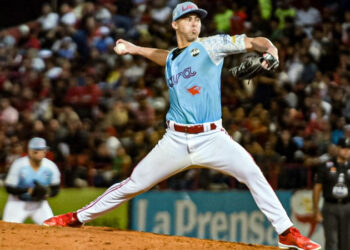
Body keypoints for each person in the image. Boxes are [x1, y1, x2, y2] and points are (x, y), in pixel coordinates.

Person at [43, 2, 320, 249]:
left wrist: (270, 49)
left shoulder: (211, 45)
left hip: (212, 138)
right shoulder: (173, 59)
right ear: (175, 23)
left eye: (198, 18)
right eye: (189, 18)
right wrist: (135, 48)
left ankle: (286, 231)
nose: (195, 22)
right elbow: (164, 56)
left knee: (252, 173)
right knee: (133, 184)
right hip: (175, 140)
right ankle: (76, 218)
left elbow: (253, 41)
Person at [3, 137, 61, 224]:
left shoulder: (51, 167)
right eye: (37, 150)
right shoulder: (19, 165)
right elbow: (9, 188)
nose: (41, 153)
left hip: (39, 204)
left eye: (43, 150)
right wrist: (28, 190)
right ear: (30, 151)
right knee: (7, 230)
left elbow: (55, 189)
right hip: (17, 203)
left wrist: (47, 194)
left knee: (52, 227)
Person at [313, 138, 350, 250]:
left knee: (347, 242)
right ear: (338, 148)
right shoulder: (326, 165)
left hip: (348, 206)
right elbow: (317, 188)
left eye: (349, 149)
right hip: (330, 207)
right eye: (344, 148)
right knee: (332, 242)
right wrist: (316, 210)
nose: (347, 151)